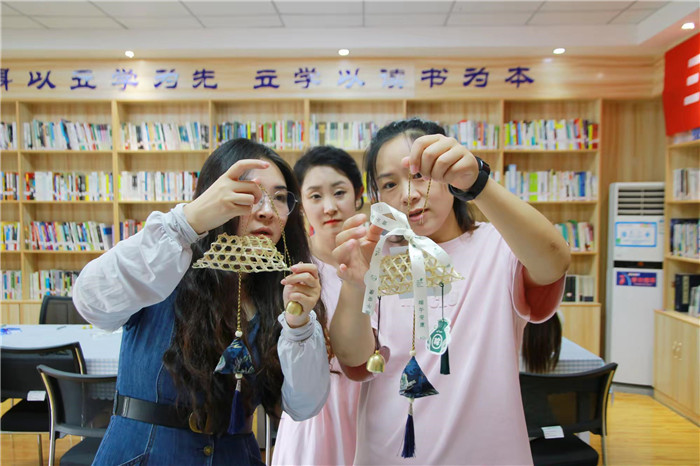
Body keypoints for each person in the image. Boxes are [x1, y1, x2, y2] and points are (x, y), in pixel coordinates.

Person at [73, 138, 330, 465]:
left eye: (280, 197)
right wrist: (187, 221)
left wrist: (298, 323)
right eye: (250, 195)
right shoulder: (166, 259)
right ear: (215, 198)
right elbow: (91, 302)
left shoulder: (281, 292)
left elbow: (304, 405)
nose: (267, 210)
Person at [330, 118, 571, 465]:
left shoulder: (499, 245)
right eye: (389, 184)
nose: (408, 194)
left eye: (419, 175)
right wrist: (354, 285)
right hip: (387, 454)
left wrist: (478, 183)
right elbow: (355, 360)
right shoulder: (375, 258)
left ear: (449, 173)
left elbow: (554, 261)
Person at [273, 146, 365, 466]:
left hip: (372, 406)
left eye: (339, 192)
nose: (329, 207)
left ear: (358, 195)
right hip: (314, 417)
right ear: (300, 205)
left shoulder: (380, 263)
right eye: (315, 196)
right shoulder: (292, 271)